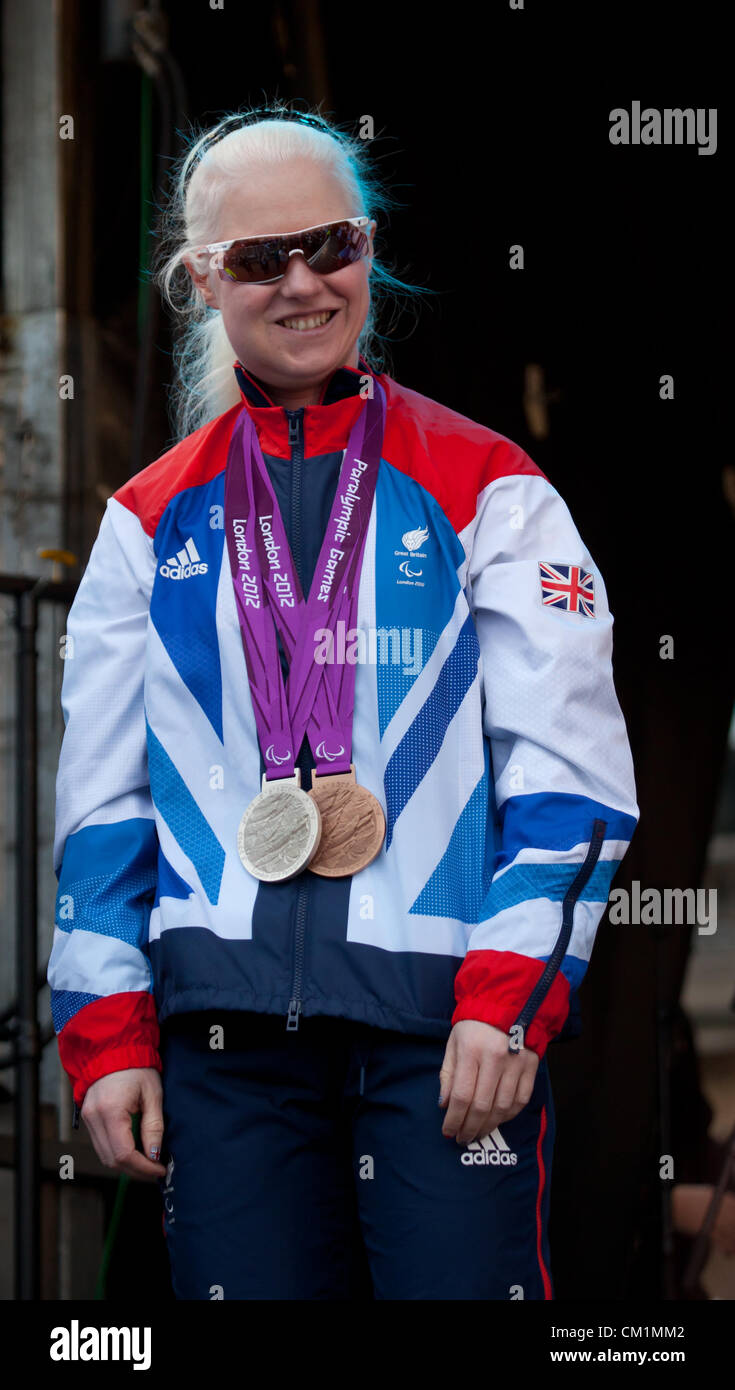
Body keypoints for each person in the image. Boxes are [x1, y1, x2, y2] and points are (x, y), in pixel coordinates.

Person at [49, 104, 639, 1300]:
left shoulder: (492, 486)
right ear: (203, 280)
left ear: (370, 250)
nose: (305, 282)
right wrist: (107, 1033)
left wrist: (509, 999)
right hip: (228, 1045)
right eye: (262, 259)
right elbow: (102, 805)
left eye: (333, 244)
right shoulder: (146, 519)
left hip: (446, 1036)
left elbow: (570, 779)